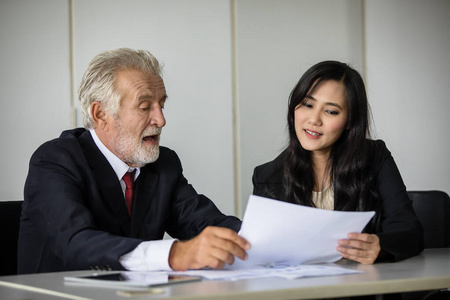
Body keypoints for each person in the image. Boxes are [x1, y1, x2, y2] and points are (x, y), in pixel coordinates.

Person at [18, 48, 250, 274]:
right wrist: (174, 254)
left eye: (162, 105)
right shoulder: (55, 160)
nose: (161, 120)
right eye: (144, 107)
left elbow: (203, 222)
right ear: (101, 114)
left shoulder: (164, 163)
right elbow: (76, 242)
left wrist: (256, 239)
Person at [252, 61, 423, 264]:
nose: (314, 119)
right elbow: (263, 251)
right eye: (308, 104)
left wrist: (380, 247)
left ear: (350, 120)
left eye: (331, 111)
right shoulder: (267, 176)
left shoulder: (375, 158)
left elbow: (410, 231)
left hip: (360, 288)